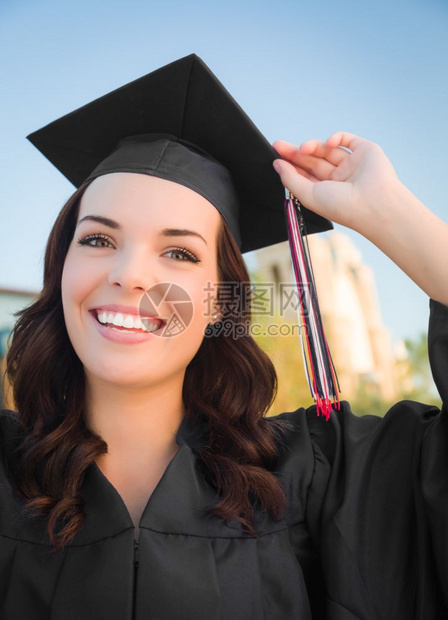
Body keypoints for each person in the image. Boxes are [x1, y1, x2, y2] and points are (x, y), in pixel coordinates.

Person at [1, 54, 447, 620]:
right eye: (97, 240)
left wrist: (390, 212)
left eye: (180, 252)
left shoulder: (313, 477)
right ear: (61, 267)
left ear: (220, 302)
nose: (129, 273)